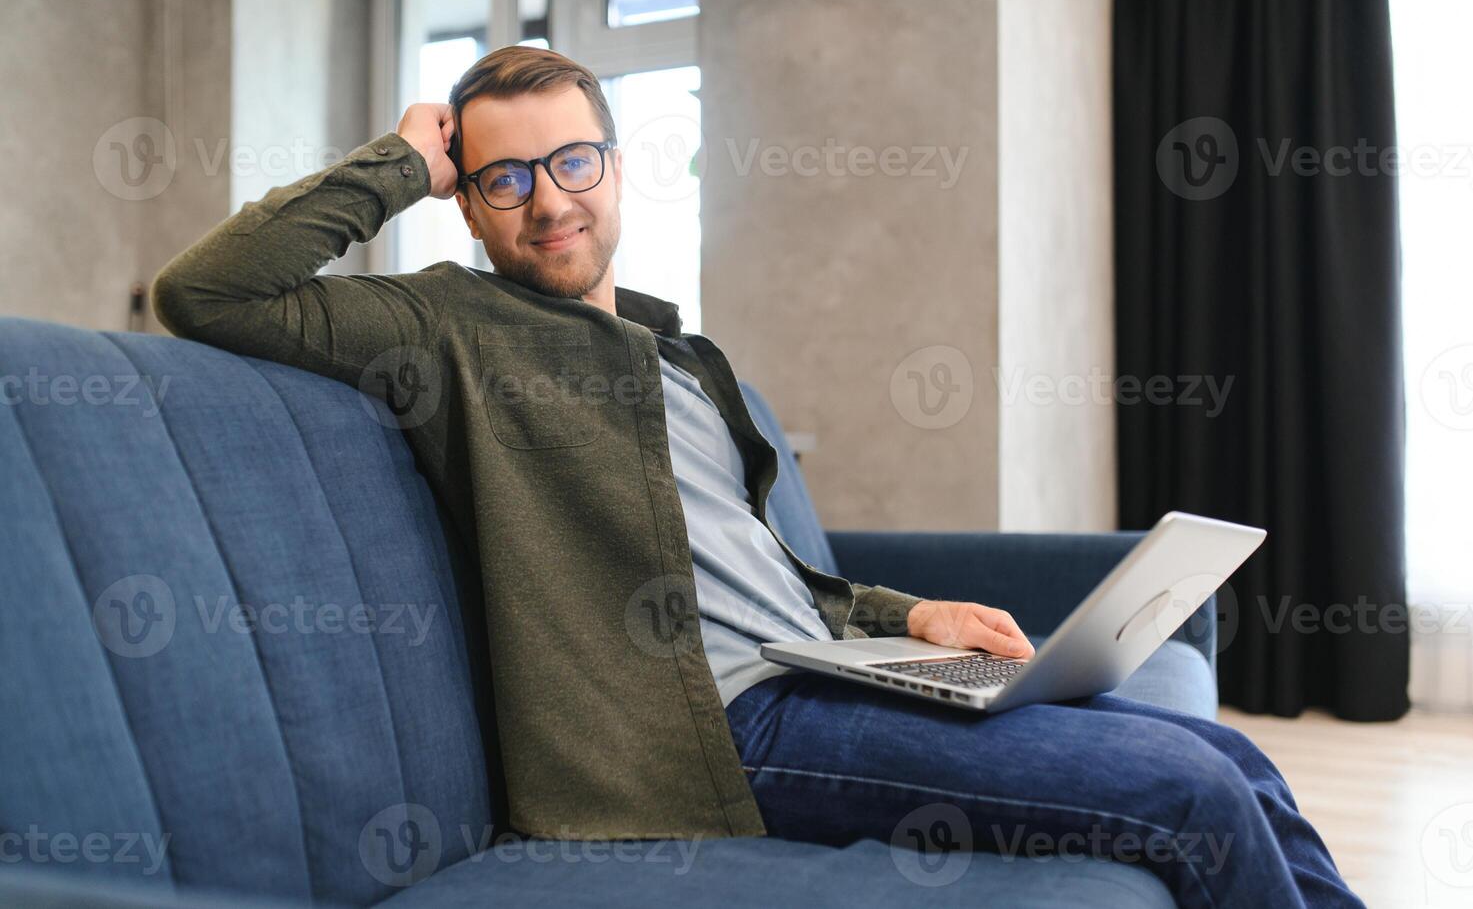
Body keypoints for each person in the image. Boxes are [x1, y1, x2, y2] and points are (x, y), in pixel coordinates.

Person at [153, 45, 1361, 907]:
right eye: (504, 177)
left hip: (819, 673)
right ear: (468, 206)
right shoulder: (445, 327)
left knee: (1236, 759)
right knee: (1187, 793)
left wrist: (907, 616)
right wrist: (400, 160)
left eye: (573, 161)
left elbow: (763, 574)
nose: (549, 200)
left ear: (617, 171)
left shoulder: (680, 353)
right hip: (715, 737)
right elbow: (208, 291)